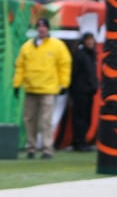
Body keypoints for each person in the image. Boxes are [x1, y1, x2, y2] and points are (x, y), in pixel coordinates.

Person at [13, 18, 72, 159]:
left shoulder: (57, 46)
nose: (41, 29)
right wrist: (17, 84)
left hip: (48, 89)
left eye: (44, 26)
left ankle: (47, 148)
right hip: (31, 88)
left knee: (45, 121)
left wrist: (64, 84)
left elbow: (64, 65)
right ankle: (31, 147)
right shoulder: (27, 46)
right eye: (39, 26)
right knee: (29, 120)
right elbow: (20, 66)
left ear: (48, 28)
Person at [69, 32, 98, 152]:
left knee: (86, 118)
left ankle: (83, 141)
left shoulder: (91, 55)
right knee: (80, 118)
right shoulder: (80, 55)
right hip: (80, 92)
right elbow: (74, 73)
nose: (90, 42)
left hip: (88, 92)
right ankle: (78, 142)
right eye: (88, 40)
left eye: (92, 40)